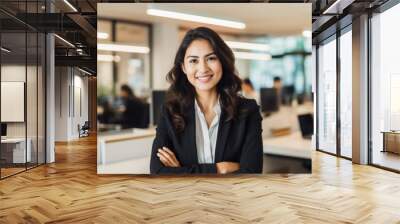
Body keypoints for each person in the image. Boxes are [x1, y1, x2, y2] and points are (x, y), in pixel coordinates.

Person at [150, 27, 263, 174]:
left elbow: (252, 172)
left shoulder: (247, 111)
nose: (203, 68)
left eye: (211, 58)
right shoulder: (170, 112)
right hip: (186, 197)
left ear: (222, 61)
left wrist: (181, 172)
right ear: (183, 67)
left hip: (231, 197)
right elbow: (157, 171)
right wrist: (220, 168)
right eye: (193, 61)